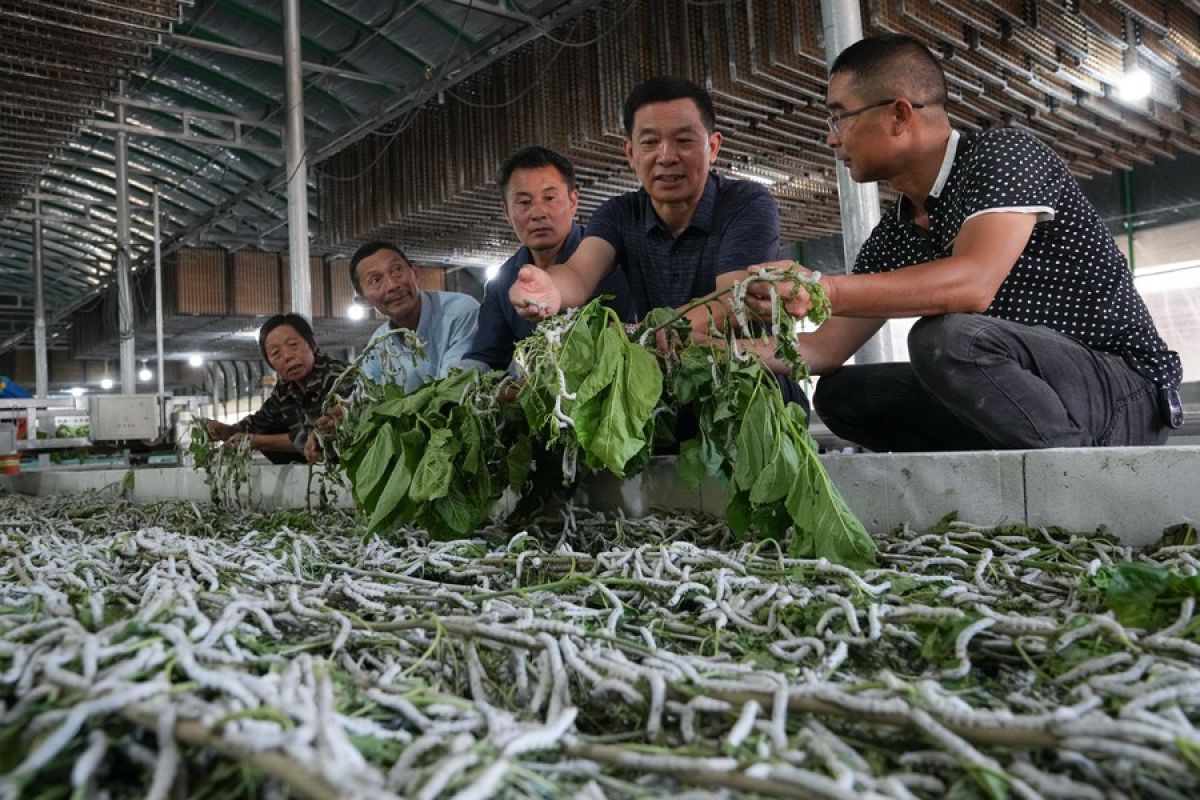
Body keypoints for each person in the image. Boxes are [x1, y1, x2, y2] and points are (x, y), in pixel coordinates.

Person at [744, 34, 1182, 451]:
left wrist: (824, 287)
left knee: (946, 339)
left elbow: (973, 283)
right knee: (846, 395)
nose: (831, 136)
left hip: (1124, 392)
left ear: (899, 114)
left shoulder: (1005, 155)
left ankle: (1077, 481)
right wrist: (711, 354)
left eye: (839, 116)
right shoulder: (895, 234)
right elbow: (824, 348)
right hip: (1030, 403)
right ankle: (1005, 474)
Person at [508, 76, 782, 336]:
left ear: (712, 147)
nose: (666, 157)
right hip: (664, 379)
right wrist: (551, 289)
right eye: (650, 142)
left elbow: (732, 302)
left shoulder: (746, 203)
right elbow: (578, 273)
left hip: (750, 378)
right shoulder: (619, 214)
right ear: (630, 153)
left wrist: (644, 334)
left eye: (684, 141)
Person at [463, 146, 636, 371]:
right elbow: (485, 358)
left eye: (550, 197)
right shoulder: (502, 282)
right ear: (506, 212)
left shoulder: (609, 256)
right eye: (524, 202)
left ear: (573, 201)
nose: (538, 213)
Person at [199, 313, 348, 464]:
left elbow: (323, 436)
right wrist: (225, 431)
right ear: (270, 364)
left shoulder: (340, 377)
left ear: (312, 344)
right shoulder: (284, 390)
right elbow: (258, 425)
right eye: (276, 353)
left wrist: (257, 442)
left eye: (293, 345)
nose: (287, 356)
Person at [350, 241, 479, 390]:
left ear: (415, 272)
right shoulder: (378, 346)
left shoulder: (460, 312)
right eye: (376, 280)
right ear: (363, 301)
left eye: (397, 270)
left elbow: (454, 389)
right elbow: (363, 399)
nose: (392, 285)